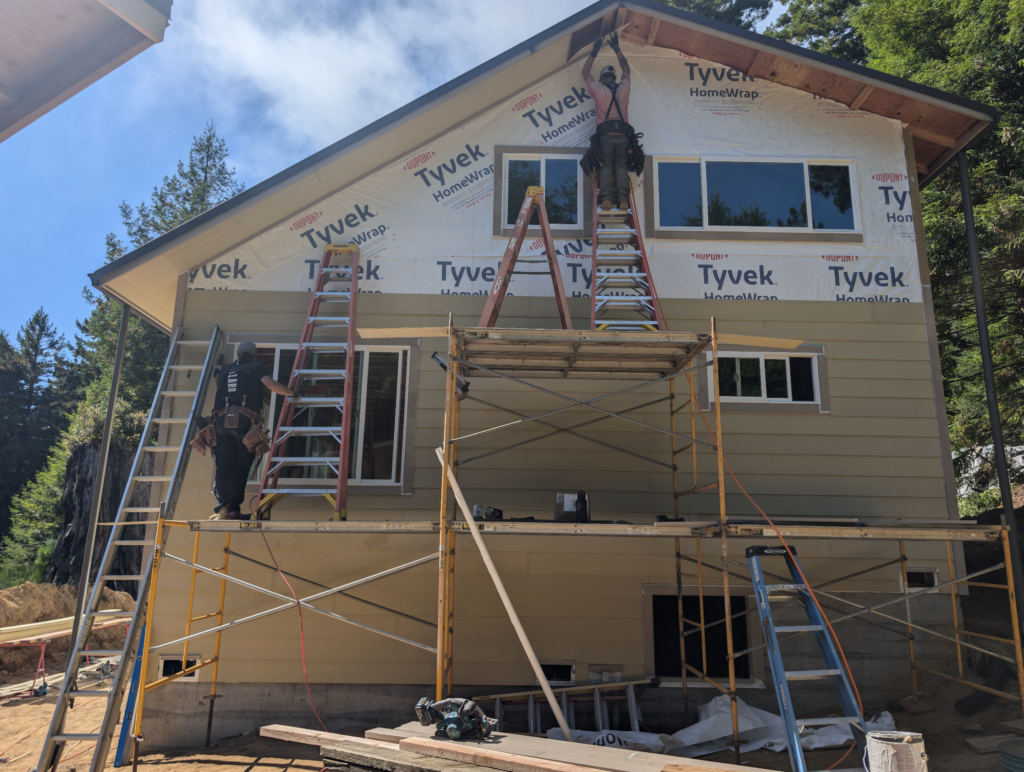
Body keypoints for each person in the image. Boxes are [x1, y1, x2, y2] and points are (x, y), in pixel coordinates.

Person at [209, 341, 293, 520]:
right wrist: (293, 393)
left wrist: (218, 370)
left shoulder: (225, 370)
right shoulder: (257, 368)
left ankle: (222, 508)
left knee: (223, 466)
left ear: (238, 354)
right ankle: (233, 510)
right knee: (240, 467)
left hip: (221, 423)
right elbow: (271, 385)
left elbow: (218, 384)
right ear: (254, 355)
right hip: (244, 425)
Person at [583, 31, 632, 210]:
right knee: (620, 167)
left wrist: (595, 50)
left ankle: (606, 199)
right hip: (623, 137)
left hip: (605, 138)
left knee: (605, 168)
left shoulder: (598, 89)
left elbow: (585, 72)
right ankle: (623, 199)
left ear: (603, 78)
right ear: (614, 78)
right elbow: (626, 70)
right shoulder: (624, 88)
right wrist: (617, 48)